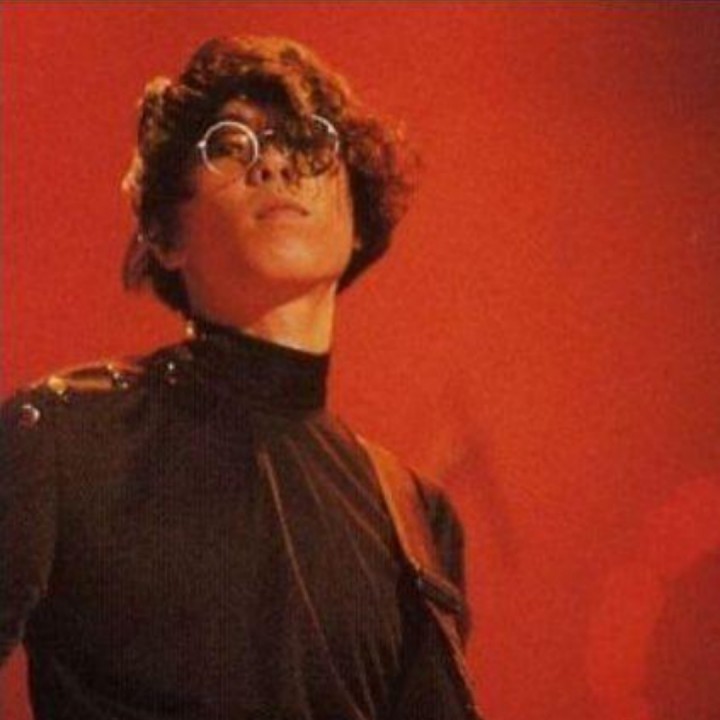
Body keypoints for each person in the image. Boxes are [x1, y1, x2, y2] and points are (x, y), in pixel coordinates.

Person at [0, 35, 480, 720]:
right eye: (231, 145)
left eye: (309, 142)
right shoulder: (60, 439)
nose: (276, 163)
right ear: (164, 235)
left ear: (357, 223)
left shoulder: (414, 517)